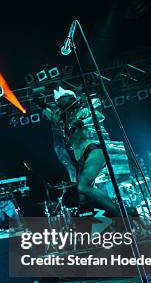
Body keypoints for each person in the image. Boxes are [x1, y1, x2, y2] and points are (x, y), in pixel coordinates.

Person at [39, 87, 119, 217]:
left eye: (64, 99)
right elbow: (53, 119)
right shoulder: (62, 119)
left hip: (93, 149)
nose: (61, 102)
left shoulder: (83, 109)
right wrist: (41, 104)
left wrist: (82, 120)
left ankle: (120, 217)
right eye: (59, 101)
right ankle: (103, 224)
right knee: (84, 198)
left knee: (84, 187)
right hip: (80, 157)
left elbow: (98, 115)